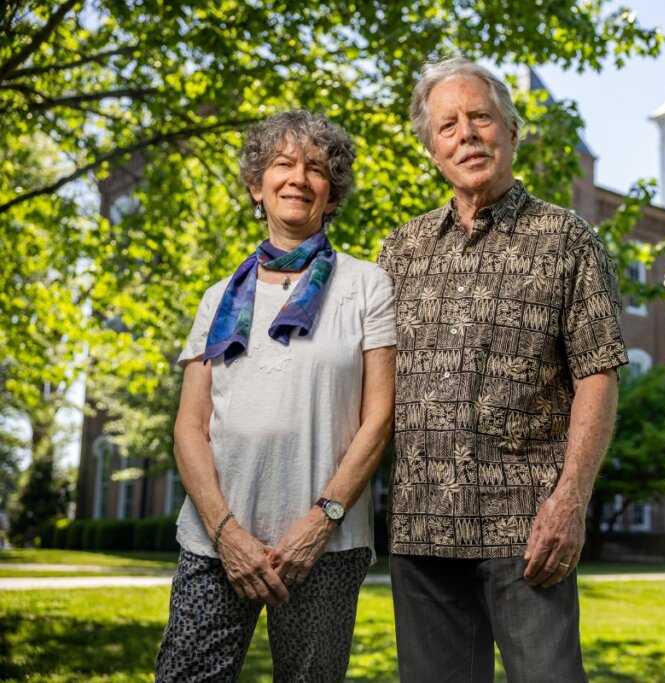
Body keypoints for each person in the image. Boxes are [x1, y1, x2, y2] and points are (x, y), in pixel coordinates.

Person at [377, 55, 628, 683]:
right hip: (421, 531)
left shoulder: (568, 238)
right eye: (447, 126)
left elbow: (598, 373)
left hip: (528, 530)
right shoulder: (399, 250)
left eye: (480, 118)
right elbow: (370, 384)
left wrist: (571, 500)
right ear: (432, 149)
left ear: (511, 131)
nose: (465, 135)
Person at [156, 109, 396, 681]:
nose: (299, 178)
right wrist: (224, 533)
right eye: (283, 164)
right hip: (215, 542)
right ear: (255, 185)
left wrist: (320, 521)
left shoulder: (367, 285)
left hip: (325, 545)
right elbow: (190, 428)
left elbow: (379, 418)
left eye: (316, 169)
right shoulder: (217, 298)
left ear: (332, 194)